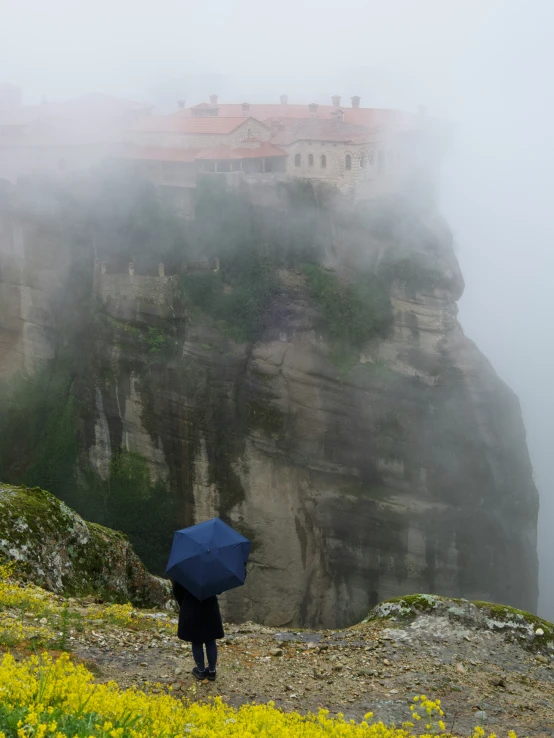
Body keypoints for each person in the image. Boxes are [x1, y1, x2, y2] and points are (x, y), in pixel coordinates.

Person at [172, 579, 224, 681]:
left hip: (191, 606)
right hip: (210, 606)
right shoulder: (212, 567)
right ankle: (212, 672)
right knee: (211, 640)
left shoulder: (184, 568)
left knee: (196, 641)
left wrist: (183, 602)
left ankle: (200, 671)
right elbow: (219, 589)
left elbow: (176, 590)